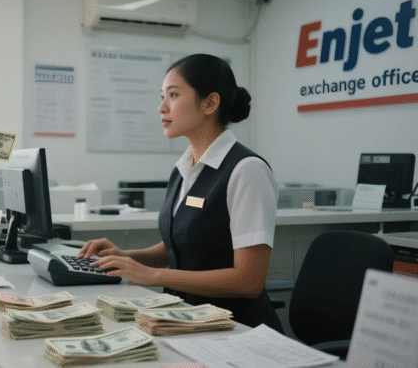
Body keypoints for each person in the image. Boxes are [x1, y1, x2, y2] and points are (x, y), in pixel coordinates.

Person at [80, 54, 283, 332]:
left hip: (237, 329)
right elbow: (180, 246)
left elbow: (249, 281)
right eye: (162, 96)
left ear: (210, 103)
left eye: (173, 95)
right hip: (186, 320)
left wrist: (154, 276)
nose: (162, 107)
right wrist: (125, 257)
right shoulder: (184, 168)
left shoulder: (246, 170)